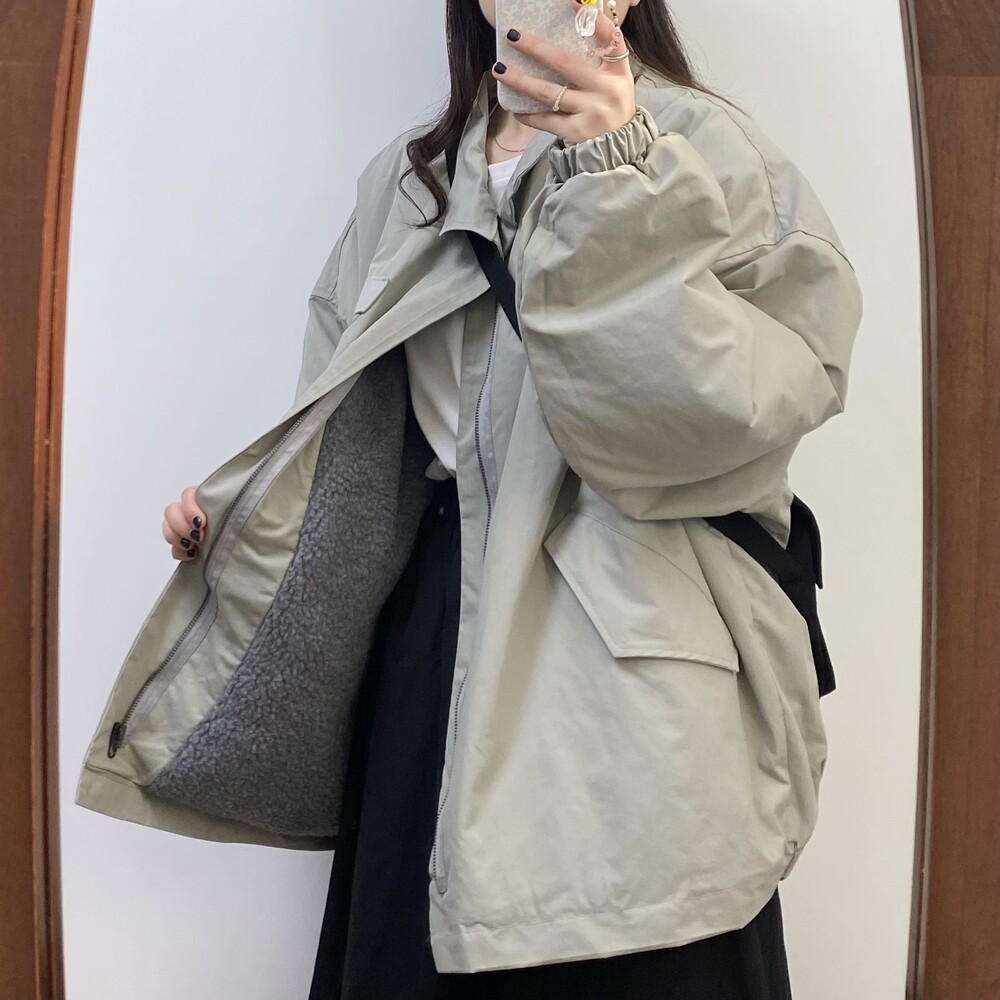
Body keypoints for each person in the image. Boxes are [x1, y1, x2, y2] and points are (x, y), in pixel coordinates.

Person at [99, 0, 863, 997]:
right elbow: (348, 413)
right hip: (433, 636)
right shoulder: (411, 179)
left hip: (634, 634)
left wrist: (613, 174)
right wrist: (244, 508)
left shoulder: (708, 149)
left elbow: (710, 423)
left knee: (638, 942)